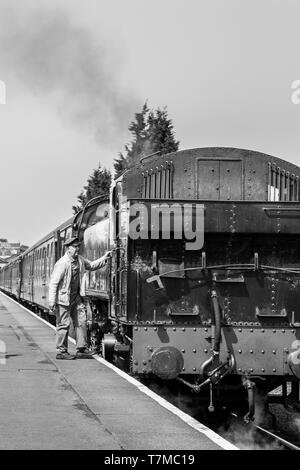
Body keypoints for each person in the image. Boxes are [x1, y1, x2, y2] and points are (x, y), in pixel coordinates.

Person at [49, 236, 111, 360]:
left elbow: (92, 265)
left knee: (81, 322)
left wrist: (105, 258)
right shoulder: (62, 263)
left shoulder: (80, 260)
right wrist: (51, 301)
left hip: (77, 298)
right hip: (63, 299)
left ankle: (81, 349)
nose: (77, 249)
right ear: (68, 249)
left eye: (78, 246)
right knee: (63, 325)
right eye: (75, 247)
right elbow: (54, 282)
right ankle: (61, 352)